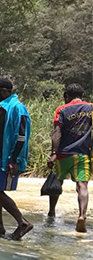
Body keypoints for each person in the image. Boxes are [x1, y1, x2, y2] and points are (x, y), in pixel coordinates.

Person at [0, 77, 32, 240]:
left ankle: (23, 222)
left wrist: (13, 159)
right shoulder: (4, 107)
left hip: (9, 158)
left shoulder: (17, 108)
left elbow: (21, 136)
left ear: (4, 92)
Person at [47, 83, 92, 232]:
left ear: (67, 96)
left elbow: (57, 133)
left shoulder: (62, 109)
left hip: (63, 154)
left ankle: (51, 213)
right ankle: (82, 216)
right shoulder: (91, 108)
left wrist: (54, 153)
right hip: (82, 154)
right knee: (82, 186)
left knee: (56, 183)